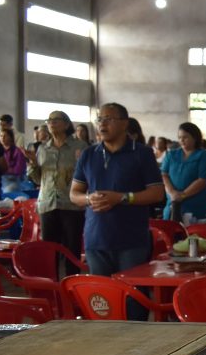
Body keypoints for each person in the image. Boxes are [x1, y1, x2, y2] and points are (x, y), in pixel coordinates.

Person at [70, 103, 164, 319]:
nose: (102, 123)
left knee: (132, 300)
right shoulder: (88, 154)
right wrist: (88, 198)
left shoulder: (141, 153)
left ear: (124, 123)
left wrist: (122, 198)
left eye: (109, 119)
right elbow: (74, 194)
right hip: (96, 238)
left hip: (130, 240)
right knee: (102, 301)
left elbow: (157, 193)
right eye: (100, 119)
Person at [27, 111, 87, 259]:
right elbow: (37, 179)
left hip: (71, 204)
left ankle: (72, 279)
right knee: (49, 249)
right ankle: (51, 282)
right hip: (47, 203)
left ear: (66, 124)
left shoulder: (80, 147)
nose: (51, 123)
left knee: (71, 248)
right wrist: (33, 163)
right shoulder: (43, 149)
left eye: (56, 120)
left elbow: (88, 175)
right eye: (49, 120)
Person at [161, 122, 206, 222]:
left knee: (192, 235)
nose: (182, 140)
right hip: (172, 202)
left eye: (185, 137)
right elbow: (164, 174)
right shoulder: (171, 154)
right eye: (180, 137)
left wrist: (183, 195)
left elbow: (203, 180)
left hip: (195, 205)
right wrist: (172, 193)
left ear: (195, 137)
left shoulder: (203, 155)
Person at [0, 128, 27, 194]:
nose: (2, 138)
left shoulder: (17, 151)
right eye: (1, 136)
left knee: (10, 190)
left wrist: (6, 170)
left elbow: (19, 169)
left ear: (11, 137)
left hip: (13, 180)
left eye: (5, 136)